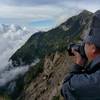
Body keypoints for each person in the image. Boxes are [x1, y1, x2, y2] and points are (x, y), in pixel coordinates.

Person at [61, 10, 100, 100]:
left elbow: (66, 88)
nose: (83, 45)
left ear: (93, 48)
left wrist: (78, 65)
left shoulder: (94, 81)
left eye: (86, 42)